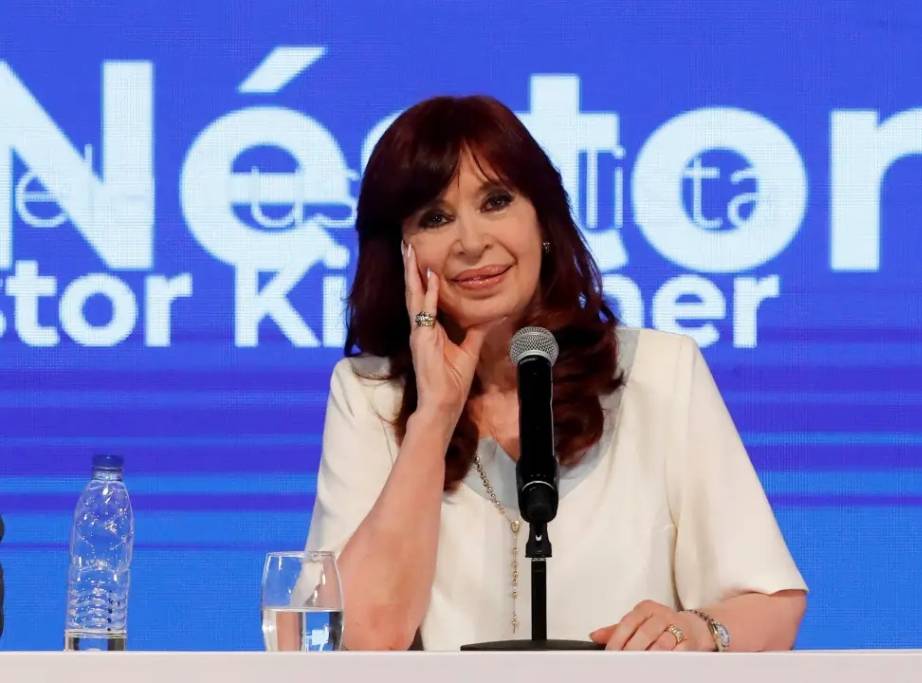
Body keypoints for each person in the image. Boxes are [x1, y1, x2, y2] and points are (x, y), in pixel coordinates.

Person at [305, 95, 808, 652]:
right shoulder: (368, 396)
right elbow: (361, 642)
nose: (472, 243)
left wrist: (696, 631)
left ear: (542, 220)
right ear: (400, 252)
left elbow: (771, 607)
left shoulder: (659, 373)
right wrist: (435, 416)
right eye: (436, 218)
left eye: (496, 201)